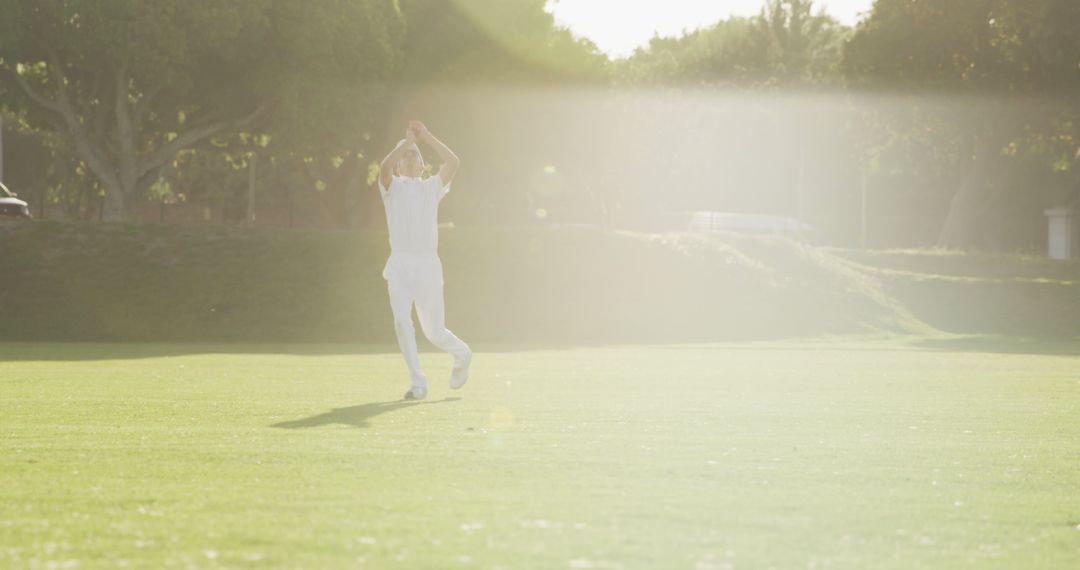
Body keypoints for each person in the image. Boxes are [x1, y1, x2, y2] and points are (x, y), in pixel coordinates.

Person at [377, 120, 472, 400]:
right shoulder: (391, 186)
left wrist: (426, 137)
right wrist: (407, 142)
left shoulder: (432, 187)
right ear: (397, 165)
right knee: (401, 321)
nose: (409, 156)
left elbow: (453, 162)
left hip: (428, 265)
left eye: (414, 155)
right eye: (404, 154)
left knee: (434, 332)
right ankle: (418, 383)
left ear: (422, 166)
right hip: (400, 264)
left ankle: (463, 354)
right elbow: (383, 168)